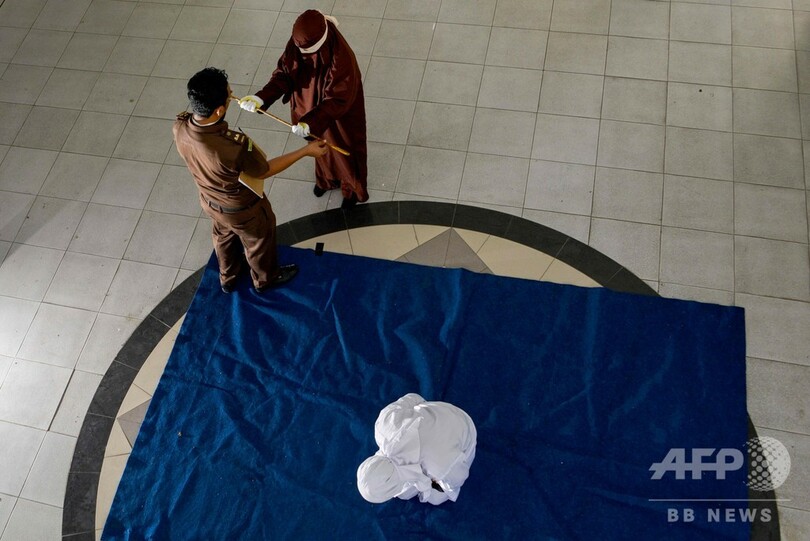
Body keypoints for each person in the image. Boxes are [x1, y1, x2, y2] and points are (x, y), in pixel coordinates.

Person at [174, 67, 328, 294]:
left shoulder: (179, 127)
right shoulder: (233, 147)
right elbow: (264, 170)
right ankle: (265, 279)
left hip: (209, 201)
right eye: (229, 95)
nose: (232, 95)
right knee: (258, 242)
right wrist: (305, 151)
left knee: (223, 236)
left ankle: (228, 277)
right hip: (241, 210)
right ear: (219, 110)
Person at [239, 9, 368, 210]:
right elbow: (285, 72)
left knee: (344, 152)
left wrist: (311, 121)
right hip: (309, 107)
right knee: (318, 147)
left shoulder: (343, 59)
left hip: (338, 116)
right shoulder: (298, 44)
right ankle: (326, 179)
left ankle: (351, 188)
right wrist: (262, 97)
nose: (303, 56)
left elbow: (337, 98)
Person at [356, 393, 477, 506]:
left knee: (436, 498)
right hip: (437, 410)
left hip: (465, 427)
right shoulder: (382, 427)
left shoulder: (438, 467)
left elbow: (459, 477)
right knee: (407, 492)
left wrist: (436, 480)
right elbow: (412, 398)